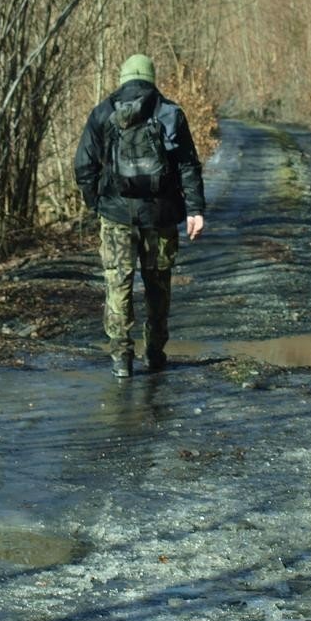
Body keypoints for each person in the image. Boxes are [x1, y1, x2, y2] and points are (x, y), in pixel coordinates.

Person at [74, 54, 206, 378]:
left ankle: (121, 359)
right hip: (159, 217)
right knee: (158, 287)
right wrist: (195, 210)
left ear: (122, 78)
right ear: (151, 78)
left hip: (116, 216)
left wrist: (98, 204)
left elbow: (83, 166)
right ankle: (155, 353)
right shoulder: (170, 112)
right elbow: (187, 164)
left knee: (117, 284)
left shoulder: (103, 112)